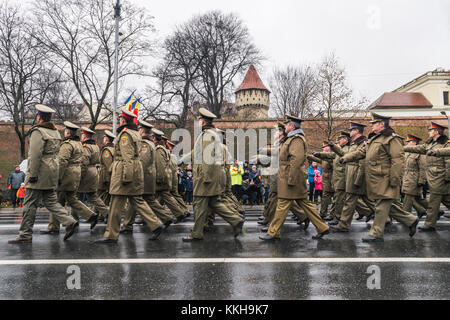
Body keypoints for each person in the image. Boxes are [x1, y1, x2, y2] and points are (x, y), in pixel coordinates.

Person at [340, 113, 419, 242]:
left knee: (381, 206)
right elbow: (361, 152)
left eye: (374, 123)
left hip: (386, 178)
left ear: (382, 124)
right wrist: (346, 158)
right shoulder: (375, 138)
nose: (371, 126)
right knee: (386, 205)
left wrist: (394, 180)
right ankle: (410, 220)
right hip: (376, 179)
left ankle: (376, 234)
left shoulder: (392, 139)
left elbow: (398, 160)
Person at [93, 107, 165, 244]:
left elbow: (127, 157)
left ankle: (111, 234)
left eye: (120, 120)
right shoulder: (136, 133)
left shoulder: (125, 135)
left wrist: (126, 177)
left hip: (125, 171)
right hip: (135, 170)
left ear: (123, 121)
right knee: (137, 200)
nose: (119, 122)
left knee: (115, 203)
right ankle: (155, 224)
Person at [8, 104, 78, 244]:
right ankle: (69, 221)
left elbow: (34, 155)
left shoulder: (38, 132)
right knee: (51, 201)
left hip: (39, 172)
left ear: (39, 117)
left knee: (29, 204)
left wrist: (32, 174)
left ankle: (25, 234)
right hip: (52, 170)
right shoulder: (56, 132)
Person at [260, 115, 329, 241]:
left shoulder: (296, 139)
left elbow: (296, 161)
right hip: (291, 176)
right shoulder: (291, 139)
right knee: (304, 204)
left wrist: (290, 179)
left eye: (286, 125)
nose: (285, 127)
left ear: (292, 126)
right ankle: (322, 226)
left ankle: (273, 232)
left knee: (282, 204)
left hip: (291, 177)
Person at [181, 108, 244, 242]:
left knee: (199, 203)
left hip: (205, 176)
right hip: (209, 175)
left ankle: (196, 234)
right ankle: (236, 220)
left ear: (203, 122)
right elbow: (195, 152)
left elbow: (207, 158)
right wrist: (181, 159)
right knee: (214, 202)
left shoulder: (208, 135)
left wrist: (206, 177)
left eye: (199, 120)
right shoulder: (208, 134)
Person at [43, 121, 99, 235]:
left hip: (66, 175)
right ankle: (90, 216)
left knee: (57, 200)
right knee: (72, 198)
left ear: (68, 132)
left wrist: (58, 177)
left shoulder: (67, 144)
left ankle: (54, 227)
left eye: (65, 131)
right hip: (75, 174)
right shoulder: (79, 144)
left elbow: (62, 161)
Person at [120, 120, 174, 234]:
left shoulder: (144, 144)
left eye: (139, 129)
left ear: (141, 130)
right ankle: (166, 217)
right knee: (149, 200)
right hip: (149, 177)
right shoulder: (150, 143)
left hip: (144, 177)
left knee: (134, 199)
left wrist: (135, 176)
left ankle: (127, 225)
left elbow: (143, 163)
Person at [404, 121, 450, 232]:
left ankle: (429, 224)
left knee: (434, 200)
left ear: (436, 132)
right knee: (446, 199)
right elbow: (418, 148)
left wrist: (448, 177)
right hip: (433, 176)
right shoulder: (429, 143)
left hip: (440, 176)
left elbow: (449, 161)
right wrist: (403, 148)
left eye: (431, 130)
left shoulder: (445, 144)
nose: (429, 132)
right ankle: (430, 223)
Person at [329, 123, 376, 231]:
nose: (349, 131)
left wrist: (358, 180)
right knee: (367, 200)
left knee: (349, 201)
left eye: (351, 130)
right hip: (350, 174)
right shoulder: (354, 144)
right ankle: (385, 218)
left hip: (356, 175)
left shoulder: (363, 144)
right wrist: (334, 147)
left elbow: (362, 163)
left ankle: (344, 225)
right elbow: (343, 154)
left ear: (357, 131)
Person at [78, 127, 110, 220]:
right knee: (93, 196)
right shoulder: (95, 146)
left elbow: (84, 163)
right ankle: (107, 212)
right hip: (94, 172)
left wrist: (80, 175)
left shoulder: (85, 147)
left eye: (82, 135)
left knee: (74, 197)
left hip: (86, 173)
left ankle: (82, 217)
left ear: (84, 136)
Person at [402, 134, 428, 218]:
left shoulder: (420, 153)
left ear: (414, 142)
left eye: (409, 142)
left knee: (408, 198)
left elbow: (423, 168)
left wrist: (422, 180)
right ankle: (434, 211)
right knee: (418, 199)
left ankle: (406, 217)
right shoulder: (407, 152)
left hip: (414, 178)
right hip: (406, 177)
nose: (407, 143)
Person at [309, 141, 335, 218]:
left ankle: (326, 214)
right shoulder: (326, 157)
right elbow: (320, 161)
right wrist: (309, 156)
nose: (323, 149)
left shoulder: (332, 156)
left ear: (328, 148)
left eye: (324, 147)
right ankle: (324, 213)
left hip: (331, 180)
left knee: (337, 197)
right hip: (326, 180)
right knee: (327, 196)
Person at [98, 130, 116, 209]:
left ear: (106, 139)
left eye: (104, 138)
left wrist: (107, 179)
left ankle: (102, 213)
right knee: (106, 196)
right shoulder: (114, 149)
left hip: (105, 176)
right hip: (109, 176)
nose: (103, 139)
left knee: (101, 195)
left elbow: (108, 166)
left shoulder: (107, 151)